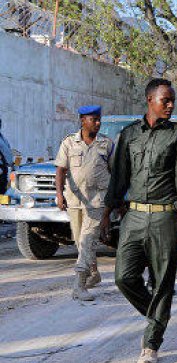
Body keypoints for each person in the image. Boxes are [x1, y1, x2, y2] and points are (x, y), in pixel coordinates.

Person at [101, 78, 177, 363]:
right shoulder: (129, 135)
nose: (171, 105)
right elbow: (119, 178)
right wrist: (106, 214)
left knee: (163, 281)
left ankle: (150, 345)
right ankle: (158, 316)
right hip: (134, 216)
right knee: (124, 277)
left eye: (172, 100)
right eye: (166, 100)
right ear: (150, 100)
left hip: (166, 218)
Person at [54, 105, 113, 301]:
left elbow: (115, 173)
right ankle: (94, 273)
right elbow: (61, 170)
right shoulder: (69, 142)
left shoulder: (106, 144)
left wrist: (114, 203)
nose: (98, 123)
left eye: (99, 119)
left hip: (97, 201)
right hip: (74, 199)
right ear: (82, 121)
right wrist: (59, 195)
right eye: (93, 119)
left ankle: (78, 285)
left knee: (87, 240)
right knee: (80, 241)